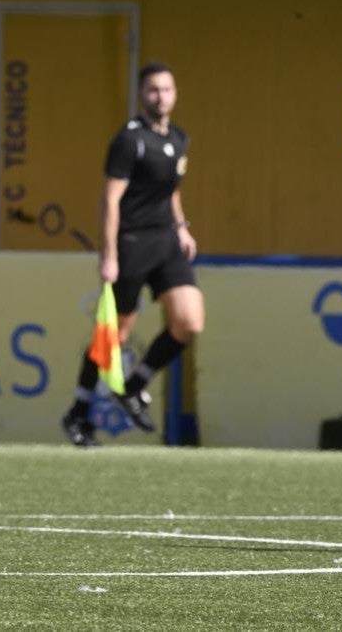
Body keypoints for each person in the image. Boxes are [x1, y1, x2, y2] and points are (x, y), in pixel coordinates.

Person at [60, 62, 205, 447]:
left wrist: (181, 227)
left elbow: (172, 191)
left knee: (189, 322)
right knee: (114, 334)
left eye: (167, 89)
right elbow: (111, 200)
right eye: (153, 90)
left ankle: (134, 385)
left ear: (175, 93)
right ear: (142, 94)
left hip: (167, 242)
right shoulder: (129, 140)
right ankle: (78, 412)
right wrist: (109, 255)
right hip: (133, 243)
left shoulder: (179, 138)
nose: (161, 97)